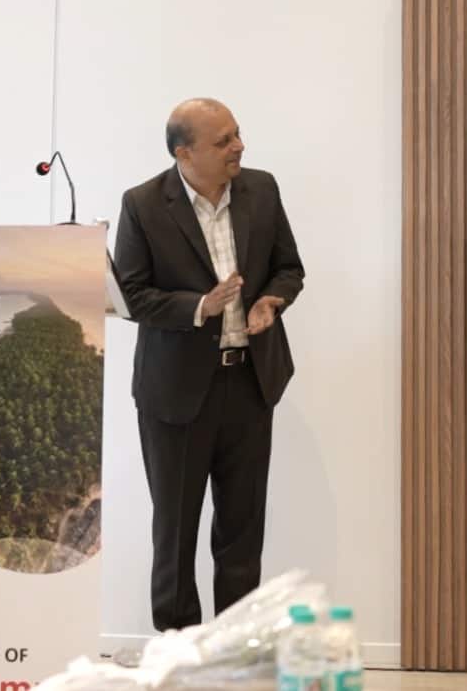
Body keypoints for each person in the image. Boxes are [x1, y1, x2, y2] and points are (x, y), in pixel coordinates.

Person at [114, 98, 305, 631]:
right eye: (224, 141)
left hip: (250, 382)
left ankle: (235, 646)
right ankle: (179, 651)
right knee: (175, 531)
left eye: (237, 134)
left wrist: (271, 302)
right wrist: (201, 306)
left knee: (242, 530)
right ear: (184, 153)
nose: (239, 146)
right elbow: (132, 296)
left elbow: (289, 268)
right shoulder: (143, 204)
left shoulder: (261, 189)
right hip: (175, 393)